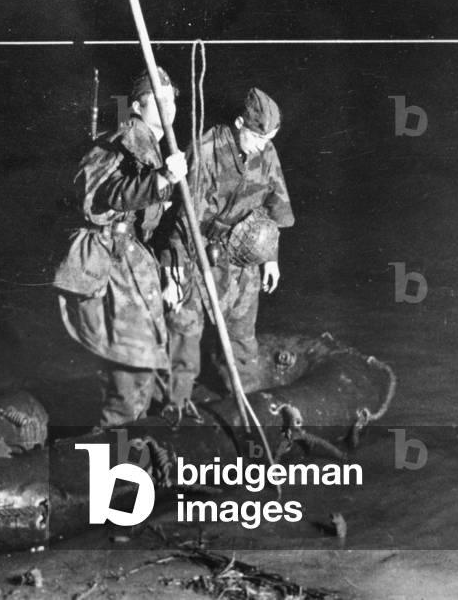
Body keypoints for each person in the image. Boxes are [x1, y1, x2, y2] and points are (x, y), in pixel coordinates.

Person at [54, 67, 187, 426]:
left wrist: (170, 270)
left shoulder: (154, 146)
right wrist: (161, 179)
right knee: (131, 365)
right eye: (157, 101)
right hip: (109, 261)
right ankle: (111, 452)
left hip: (133, 259)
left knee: (144, 361)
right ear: (138, 106)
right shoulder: (122, 141)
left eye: (171, 98)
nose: (168, 107)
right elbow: (104, 195)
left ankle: (131, 440)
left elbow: (156, 223)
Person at [159, 87, 294, 413]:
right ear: (239, 124)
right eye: (258, 137)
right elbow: (178, 215)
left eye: (269, 138)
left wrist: (270, 258)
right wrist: (174, 269)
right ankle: (175, 407)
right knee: (185, 333)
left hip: (241, 254)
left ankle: (245, 403)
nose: (265, 145)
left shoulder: (266, 151)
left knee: (242, 334)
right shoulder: (206, 149)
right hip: (193, 251)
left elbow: (275, 206)